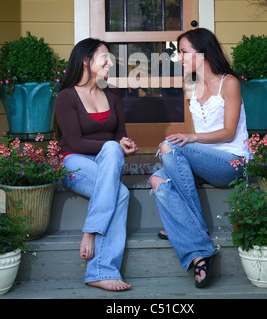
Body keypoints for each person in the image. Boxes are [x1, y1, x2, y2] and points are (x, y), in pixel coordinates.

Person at [149, 28, 249, 288]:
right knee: (156, 181)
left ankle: (188, 227)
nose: (179, 57)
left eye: (184, 52)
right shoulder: (192, 84)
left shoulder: (229, 83)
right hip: (204, 161)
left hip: (230, 162)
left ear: (203, 53)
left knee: (168, 146)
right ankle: (199, 250)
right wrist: (191, 140)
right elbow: (200, 134)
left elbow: (228, 133)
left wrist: (191, 138)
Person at [55, 38, 138, 291]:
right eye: (105, 57)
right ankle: (91, 234)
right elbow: (74, 141)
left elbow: (118, 135)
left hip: (105, 163)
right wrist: (113, 146)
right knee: (120, 189)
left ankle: (99, 272)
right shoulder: (66, 97)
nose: (110, 63)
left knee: (120, 185)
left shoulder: (112, 94)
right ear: (86, 61)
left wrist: (125, 145)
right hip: (75, 163)